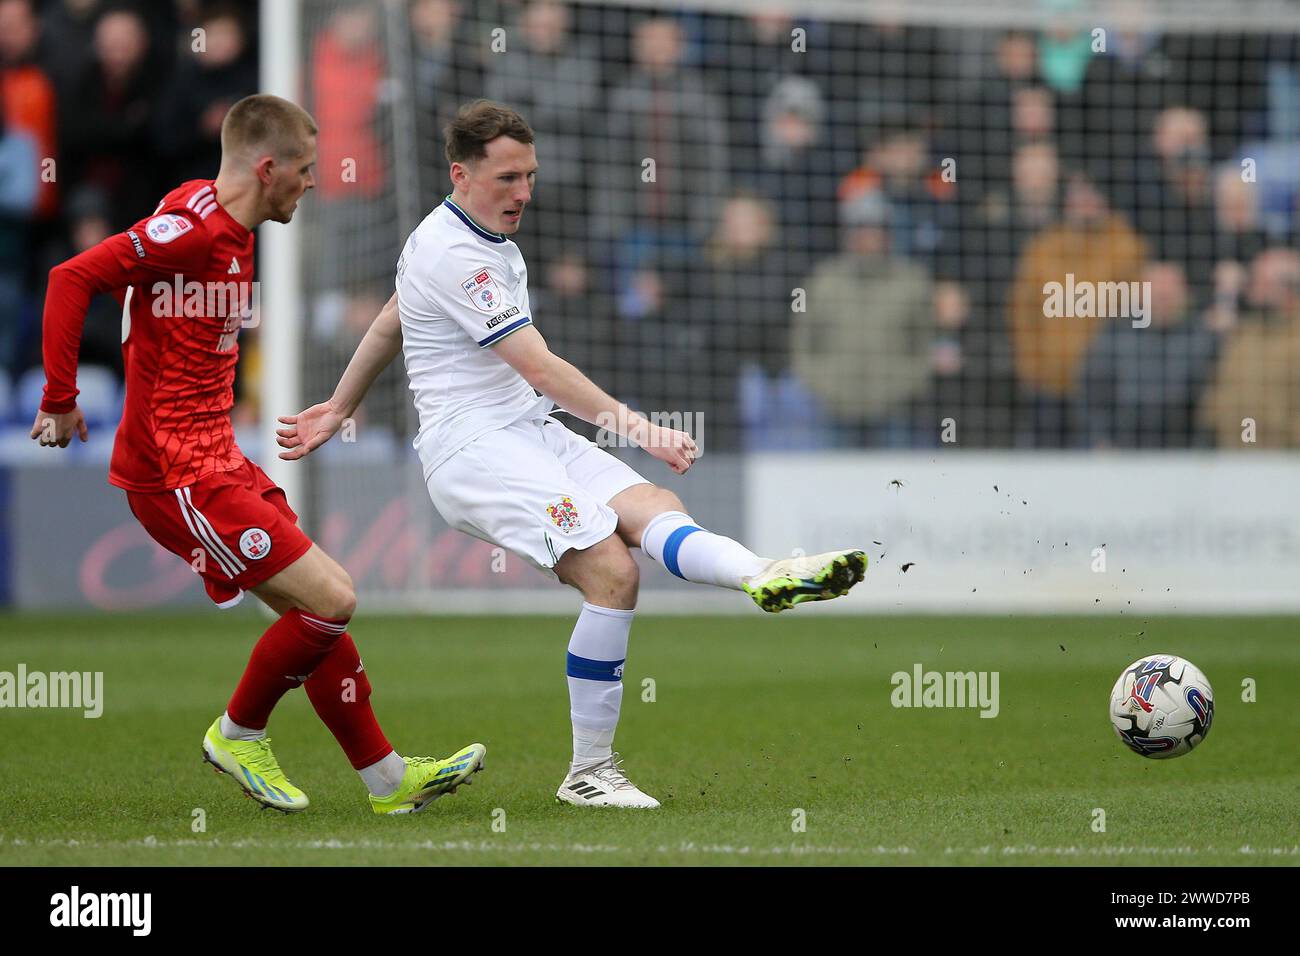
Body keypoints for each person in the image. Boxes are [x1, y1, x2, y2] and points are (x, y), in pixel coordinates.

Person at [278, 100, 867, 809]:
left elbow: (388, 320)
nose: (523, 192)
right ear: (460, 174)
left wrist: (339, 405)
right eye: (507, 177)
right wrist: (639, 428)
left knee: (655, 507)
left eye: (529, 175)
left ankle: (762, 575)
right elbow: (541, 369)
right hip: (475, 450)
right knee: (613, 572)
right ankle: (590, 772)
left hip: (526, 432)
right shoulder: (453, 254)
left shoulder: (475, 239)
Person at [30, 93, 482, 816]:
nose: (312, 182)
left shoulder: (229, 223)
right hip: (175, 475)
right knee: (334, 599)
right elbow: (70, 277)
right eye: (303, 170)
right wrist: (59, 397)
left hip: (219, 461)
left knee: (319, 615)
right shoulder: (189, 231)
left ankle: (390, 783)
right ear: (266, 168)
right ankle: (238, 732)